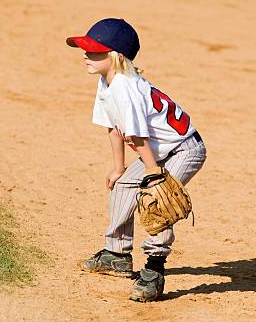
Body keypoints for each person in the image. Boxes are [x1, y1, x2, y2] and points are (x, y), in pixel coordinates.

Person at [66, 18, 207, 302]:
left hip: (183, 148)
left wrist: (154, 175)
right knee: (123, 186)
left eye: (94, 51)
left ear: (115, 57)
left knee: (157, 200)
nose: (85, 55)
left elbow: (139, 136)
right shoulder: (106, 83)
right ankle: (116, 254)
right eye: (86, 49)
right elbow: (113, 127)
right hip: (156, 150)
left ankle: (154, 271)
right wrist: (119, 167)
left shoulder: (125, 88)